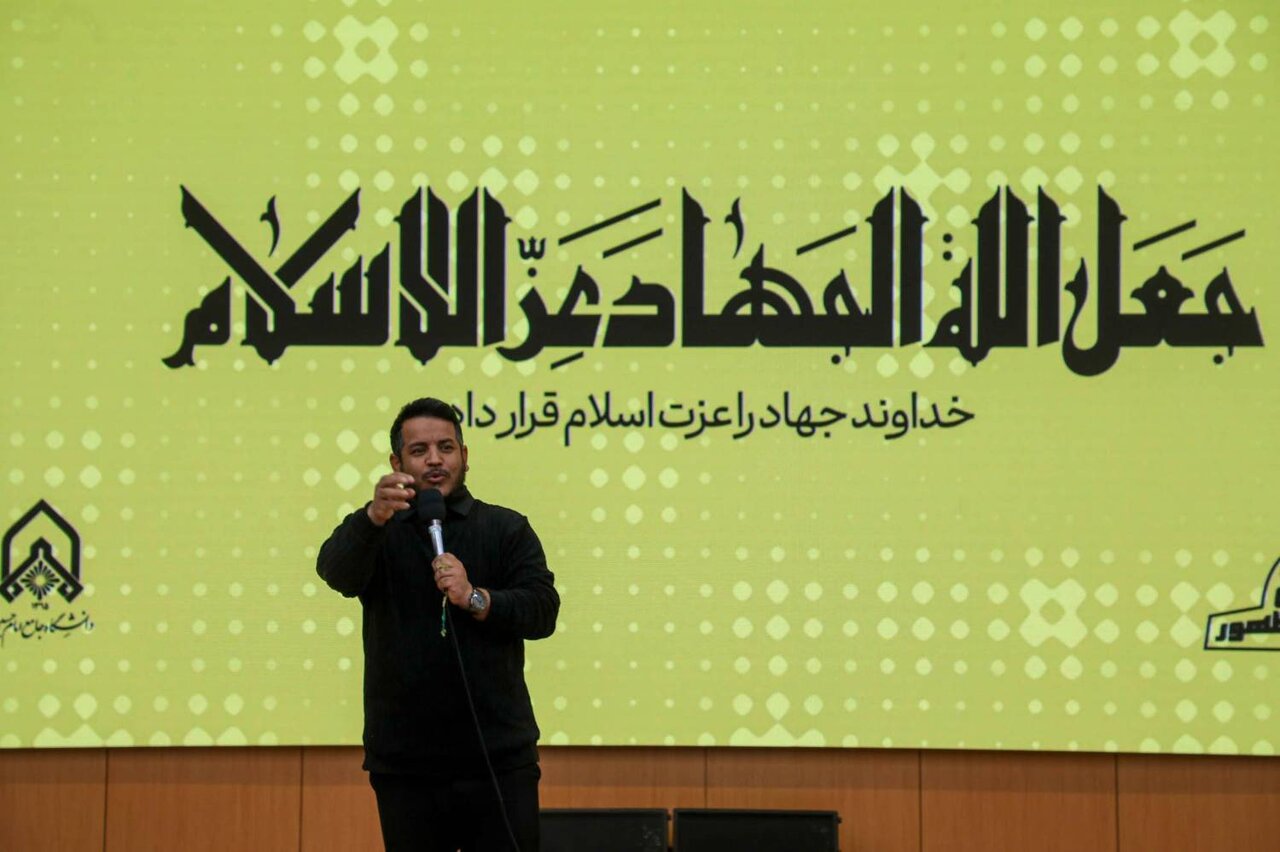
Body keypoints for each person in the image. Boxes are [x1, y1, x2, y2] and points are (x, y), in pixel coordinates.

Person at [317, 397, 559, 852]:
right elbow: (335, 573)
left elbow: (543, 610)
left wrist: (475, 597)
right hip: (405, 764)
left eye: (446, 448)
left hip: (498, 759)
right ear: (397, 463)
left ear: (464, 456)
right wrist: (372, 518)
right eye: (419, 450)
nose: (434, 460)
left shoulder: (505, 528)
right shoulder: (377, 531)